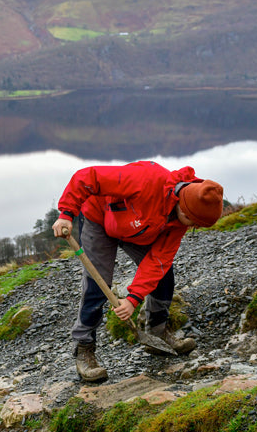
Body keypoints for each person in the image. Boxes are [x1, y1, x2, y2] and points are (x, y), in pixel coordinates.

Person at [52, 161, 224, 382]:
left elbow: (158, 262)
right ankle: (84, 348)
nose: (191, 227)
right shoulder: (146, 178)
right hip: (99, 219)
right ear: (183, 205)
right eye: (192, 221)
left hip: (140, 230)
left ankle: (157, 332)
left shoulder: (179, 222)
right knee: (97, 284)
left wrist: (132, 299)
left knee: (164, 276)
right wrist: (67, 212)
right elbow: (88, 176)